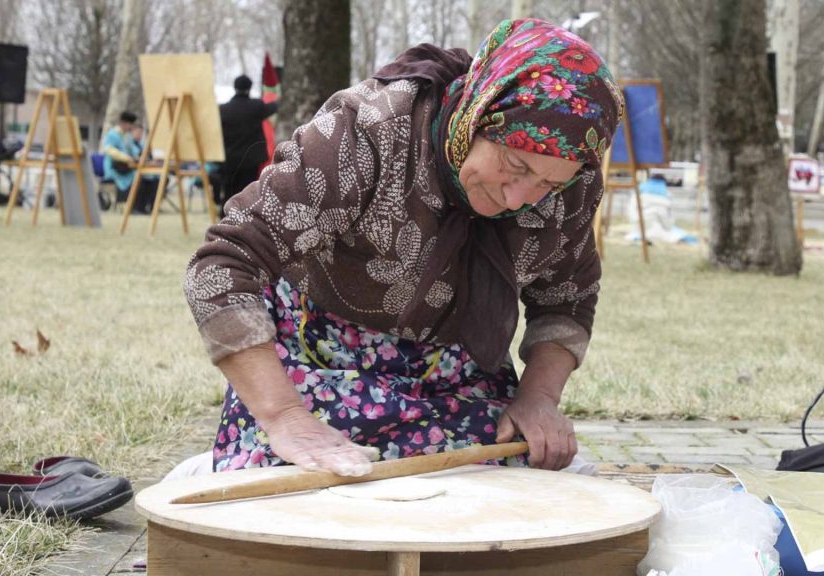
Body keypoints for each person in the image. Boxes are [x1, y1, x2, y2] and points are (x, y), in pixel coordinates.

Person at [184, 18, 623, 476]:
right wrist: (283, 416)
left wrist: (538, 398)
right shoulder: (373, 130)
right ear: (477, 116)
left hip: (453, 372)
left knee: (501, 480)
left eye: (547, 183)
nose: (518, 198)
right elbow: (222, 264)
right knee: (300, 482)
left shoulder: (573, 183)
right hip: (321, 357)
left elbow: (567, 298)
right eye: (514, 164)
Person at [218, 74, 279, 217]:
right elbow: (273, 107)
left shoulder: (223, 109)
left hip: (230, 158)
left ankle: (225, 217)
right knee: (247, 192)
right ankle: (245, 217)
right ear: (250, 87)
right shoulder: (256, 106)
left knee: (228, 191)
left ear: (235, 87)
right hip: (250, 159)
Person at [102, 112, 156, 214]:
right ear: (124, 123)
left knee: (149, 178)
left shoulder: (127, 136)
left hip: (128, 168)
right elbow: (109, 149)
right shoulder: (112, 134)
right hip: (115, 169)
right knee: (138, 178)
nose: (131, 127)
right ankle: (133, 207)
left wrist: (140, 158)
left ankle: (143, 207)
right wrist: (127, 158)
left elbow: (133, 150)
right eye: (130, 124)